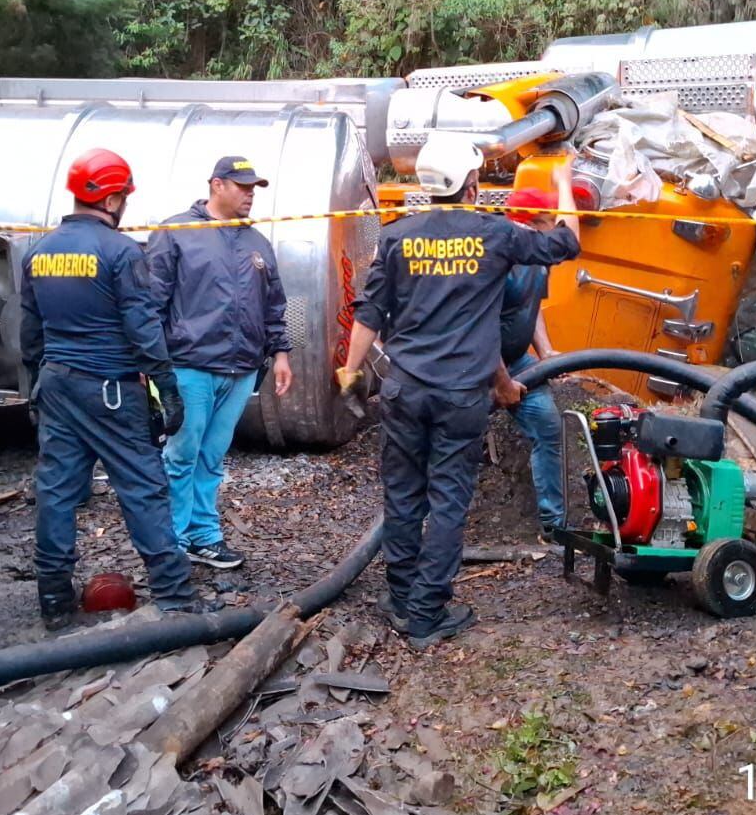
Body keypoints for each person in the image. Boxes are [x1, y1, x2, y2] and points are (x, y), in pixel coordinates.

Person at [336, 134, 580, 649]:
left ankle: (401, 596)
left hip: (404, 390)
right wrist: (561, 184)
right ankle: (425, 613)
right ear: (471, 183)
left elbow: (369, 313)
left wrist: (350, 372)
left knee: (403, 494)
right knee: (448, 499)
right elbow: (565, 243)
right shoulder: (495, 234)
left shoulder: (399, 236)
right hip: (459, 397)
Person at [20, 147, 220, 631]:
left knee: (58, 492)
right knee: (143, 488)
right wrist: (167, 387)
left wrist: (35, 387)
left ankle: (53, 600)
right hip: (110, 390)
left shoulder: (39, 253)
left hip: (58, 385)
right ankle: (174, 596)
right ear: (111, 198)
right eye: (124, 197)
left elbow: (30, 333)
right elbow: (143, 327)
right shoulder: (121, 252)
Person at [145, 155, 292, 570]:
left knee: (212, 455)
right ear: (216, 185)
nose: (250, 194)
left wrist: (281, 354)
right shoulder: (177, 233)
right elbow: (151, 304)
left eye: (254, 188)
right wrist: (151, 366)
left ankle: (203, 538)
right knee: (181, 454)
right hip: (190, 366)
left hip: (242, 369)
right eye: (243, 186)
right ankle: (169, 544)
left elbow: (274, 307)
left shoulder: (257, 244)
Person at [497, 185, 566, 538]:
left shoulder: (538, 258)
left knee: (548, 427)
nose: (554, 228)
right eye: (550, 221)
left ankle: (554, 527)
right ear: (532, 221)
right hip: (475, 366)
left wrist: (547, 353)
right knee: (454, 442)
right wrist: (500, 382)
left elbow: (531, 307)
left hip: (517, 358)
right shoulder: (499, 258)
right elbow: (477, 329)